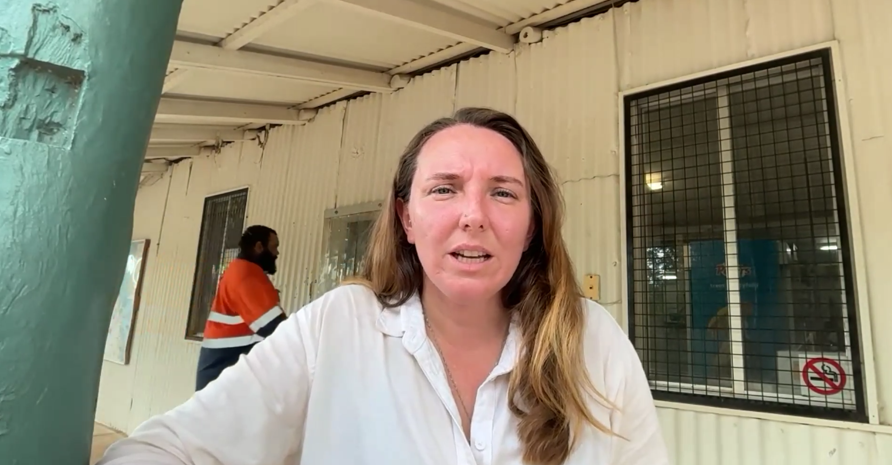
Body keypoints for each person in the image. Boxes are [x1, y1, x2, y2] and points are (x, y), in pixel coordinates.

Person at [101, 108, 667, 465]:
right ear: (406, 218)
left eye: (503, 192)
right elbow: (165, 449)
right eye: (444, 189)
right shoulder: (340, 325)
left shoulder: (595, 339)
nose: (473, 215)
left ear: (533, 224)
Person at [194, 225, 286, 391]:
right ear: (259, 247)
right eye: (274, 247)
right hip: (222, 379)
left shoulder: (239, 270)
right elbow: (275, 328)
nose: (277, 253)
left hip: (220, 375)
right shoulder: (246, 274)